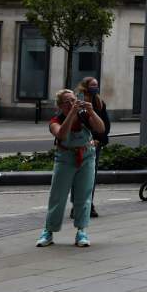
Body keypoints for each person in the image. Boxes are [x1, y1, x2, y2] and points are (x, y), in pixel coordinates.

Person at [38, 88, 105, 248]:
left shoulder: (84, 116)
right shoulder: (56, 120)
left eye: (73, 100)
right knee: (58, 196)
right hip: (65, 159)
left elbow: (101, 129)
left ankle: (81, 230)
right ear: (60, 106)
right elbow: (61, 134)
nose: (71, 104)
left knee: (84, 196)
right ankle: (49, 231)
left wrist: (91, 111)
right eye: (66, 102)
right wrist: (71, 114)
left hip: (86, 157)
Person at [74, 76, 110, 219]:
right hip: (79, 144)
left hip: (95, 144)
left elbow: (105, 125)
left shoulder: (99, 103)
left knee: (90, 177)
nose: (95, 87)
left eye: (96, 85)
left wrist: (97, 140)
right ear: (85, 86)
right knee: (77, 176)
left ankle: (89, 205)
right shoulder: (78, 102)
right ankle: (77, 205)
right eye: (93, 85)